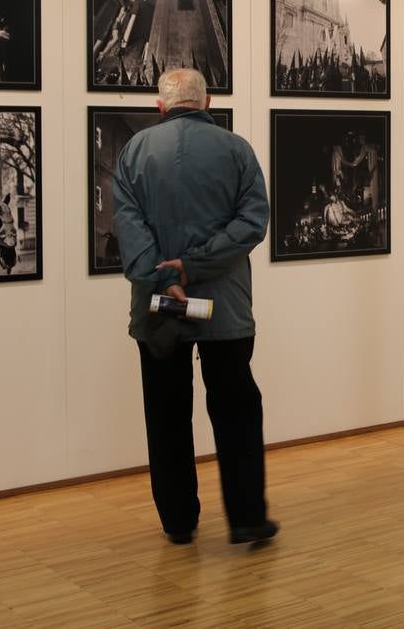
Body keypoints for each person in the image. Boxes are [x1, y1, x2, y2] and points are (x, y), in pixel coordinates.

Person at [111, 68, 276, 546]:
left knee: (165, 413)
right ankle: (246, 518)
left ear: (160, 107)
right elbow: (252, 223)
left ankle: (179, 521)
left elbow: (130, 229)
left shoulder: (134, 152)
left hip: (160, 307)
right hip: (222, 306)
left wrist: (166, 276)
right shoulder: (237, 150)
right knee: (236, 410)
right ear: (209, 101)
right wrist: (193, 267)